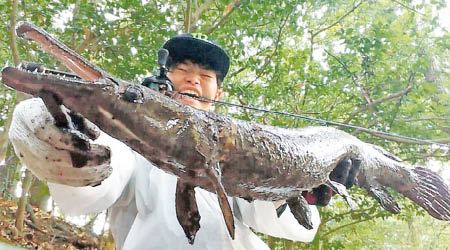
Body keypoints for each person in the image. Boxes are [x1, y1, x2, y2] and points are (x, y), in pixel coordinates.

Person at [8, 33, 321, 250]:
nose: (193, 79)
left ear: (218, 95)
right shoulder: (129, 142)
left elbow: (289, 226)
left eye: (206, 76)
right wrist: (67, 148)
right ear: (164, 79)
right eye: (182, 70)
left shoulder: (236, 151)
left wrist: (300, 191)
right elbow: (90, 192)